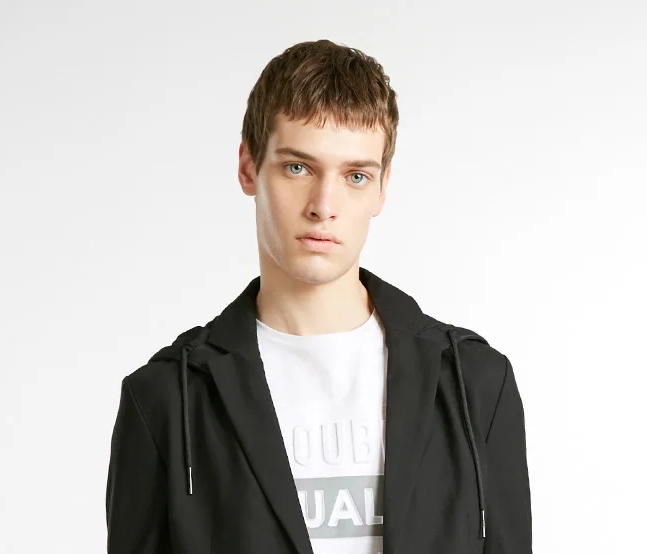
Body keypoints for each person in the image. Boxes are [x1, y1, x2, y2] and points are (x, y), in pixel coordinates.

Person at [106, 39, 532, 554]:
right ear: (248, 167)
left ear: (381, 188)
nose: (324, 205)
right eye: (298, 167)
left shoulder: (476, 384)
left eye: (356, 176)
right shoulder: (165, 400)